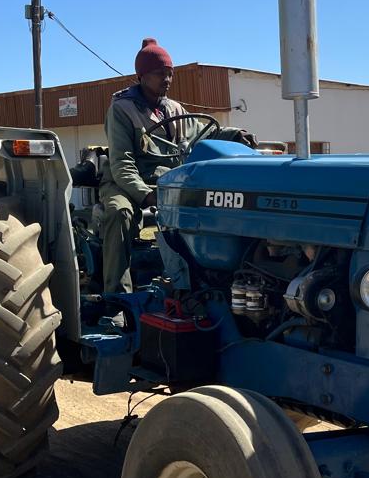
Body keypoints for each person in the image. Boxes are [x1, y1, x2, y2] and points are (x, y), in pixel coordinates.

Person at [99, 38, 255, 294]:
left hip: (167, 181)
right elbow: (122, 163)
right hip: (125, 183)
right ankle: (116, 296)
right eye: (160, 73)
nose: (167, 79)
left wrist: (235, 134)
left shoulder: (173, 109)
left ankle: (201, 286)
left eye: (170, 74)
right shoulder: (122, 109)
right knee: (120, 214)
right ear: (142, 76)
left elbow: (202, 134)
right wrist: (146, 194)